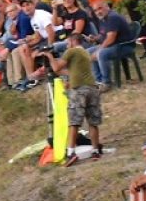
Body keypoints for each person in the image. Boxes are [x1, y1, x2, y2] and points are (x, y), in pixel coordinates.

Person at [39, 37, 104, 165]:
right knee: (92, 121)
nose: (66, 45)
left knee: (74, 122)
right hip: (92, 88)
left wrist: (49, 56)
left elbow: (57, 68)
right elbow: (71, 72)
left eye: (68, 43)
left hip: (79, 90)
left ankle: (71, 153)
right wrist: (69, 81)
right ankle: (95, 150)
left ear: (73, 42)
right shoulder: (85, 53)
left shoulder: (71, 51)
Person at [86, 0, 135, 89]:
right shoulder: (104, 18)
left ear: (106, 6)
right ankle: (99, 81)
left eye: (100, 8)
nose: (98, 12)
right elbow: (103, 35)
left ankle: (107, 83)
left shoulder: (112, 17)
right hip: (114, 45)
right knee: (88, 52)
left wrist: (99, 50)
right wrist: (95, 38)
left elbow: (110, 38)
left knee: (101, 53)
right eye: (95, 10)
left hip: (124, 46)